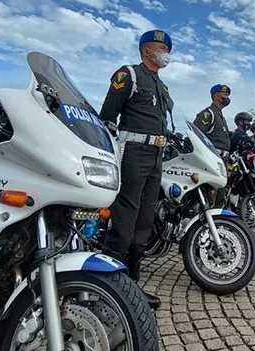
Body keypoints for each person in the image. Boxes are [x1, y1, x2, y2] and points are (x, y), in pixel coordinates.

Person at [99, 29, 174, 310]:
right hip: (132, 152)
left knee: (144, 222)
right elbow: (107, 116)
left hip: (156, 155)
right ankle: (109, 286)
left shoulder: (160, 86)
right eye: (161, 48)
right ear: (146, 51)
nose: (166, 54)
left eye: (167, 50)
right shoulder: (128, 75)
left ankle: (131, 287)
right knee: (125, 220)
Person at [193, 84, 231, 153]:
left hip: (221, 159)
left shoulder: (221, 117)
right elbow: (195, 135)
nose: (227, 97)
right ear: (216, 95)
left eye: (228, 95)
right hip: (211, 157)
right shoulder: (208, 113)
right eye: (225, 94)